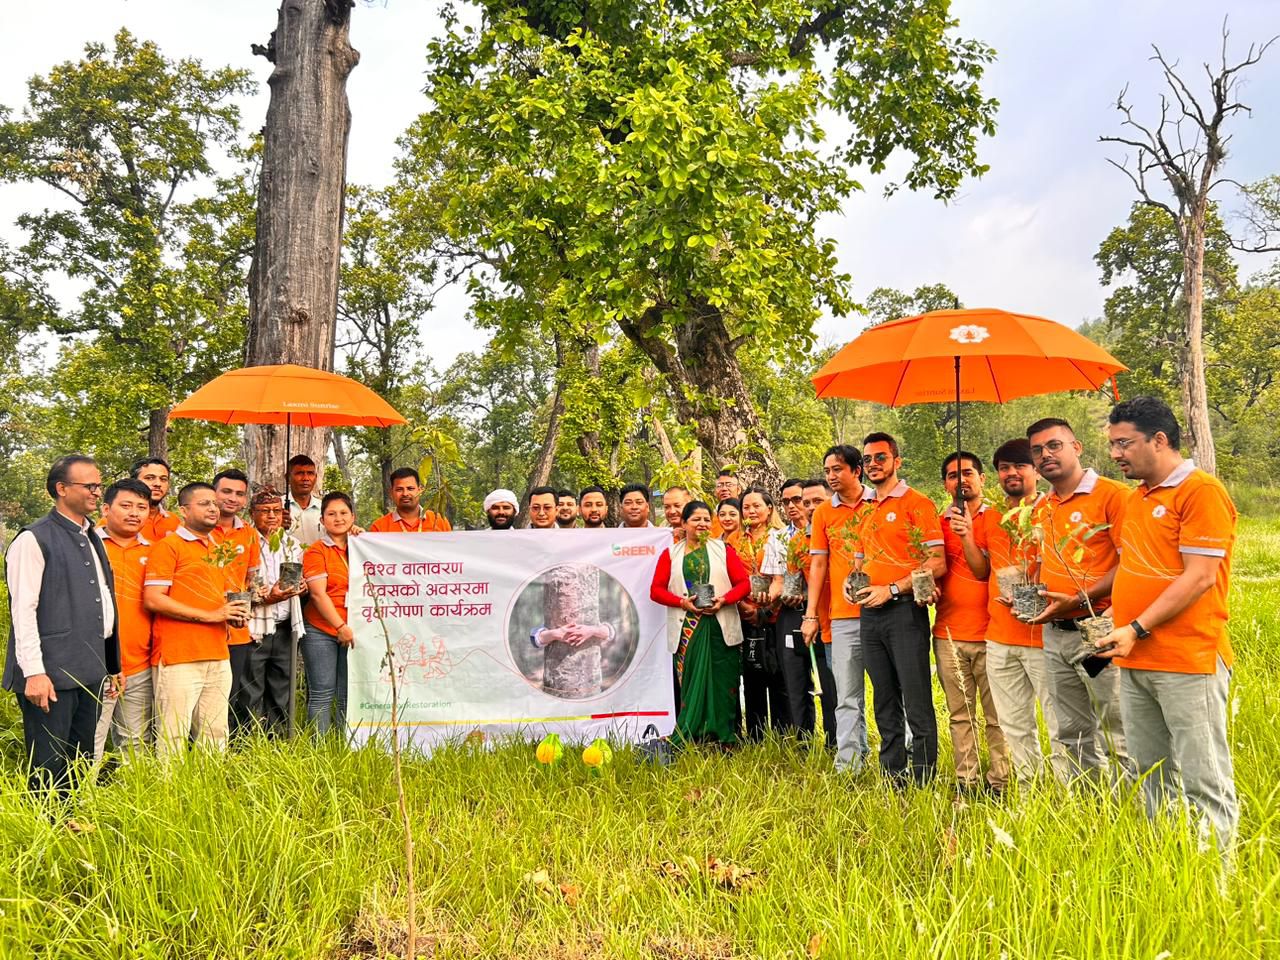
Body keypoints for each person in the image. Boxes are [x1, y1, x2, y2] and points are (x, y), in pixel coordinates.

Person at [1099, 396, 1238, 846]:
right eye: (1113, 445)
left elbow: (1199, 578)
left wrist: (1136, 626)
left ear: (1159, 440)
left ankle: (1215, 881)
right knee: (1151, 773)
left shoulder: (1200, 492)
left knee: (1204, 778)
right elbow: (1136, 568)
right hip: (1136, 659)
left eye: (1124, 443)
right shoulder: (1137, 497)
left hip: (1188, 659)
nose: (1116, 454)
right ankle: (1169, 863)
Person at [5, 454, 120, 793]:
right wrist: (35, 673)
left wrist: (112, 665)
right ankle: (44, 836)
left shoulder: (92, 536)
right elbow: (23, 611)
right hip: (51, 674)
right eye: (89, 486)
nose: (97, 492)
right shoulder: (33, 539)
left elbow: (104, 604)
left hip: (90, 671)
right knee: (48, 764)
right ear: (61, 488)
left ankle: (71, 825)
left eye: (98, 486)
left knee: (80, 758)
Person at [1026, 417, 1131, 781]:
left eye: (1054, 445)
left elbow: (1130, 565)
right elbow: (1046, 562)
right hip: (1056, 634)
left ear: (1077, 447)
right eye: (1037, 450)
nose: (1046, 455)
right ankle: (1091, 810)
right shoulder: (1043, 506)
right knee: (1071, 729)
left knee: (1116, 725)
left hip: (1098, 629)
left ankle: (1130, 813)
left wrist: (1078, 599)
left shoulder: (1113, 496)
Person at [957, 439, 1058, 781]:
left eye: (1019, 466)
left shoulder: (1050, 511)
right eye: (1004, 468)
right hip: (999, 637)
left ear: (1036, 472)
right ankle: (1030, 792)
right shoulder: (993, 517)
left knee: (1059, 723)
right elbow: (981, 571)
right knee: (1014, 724)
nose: (1011, 473)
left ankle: (1067, 795)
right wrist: (968, 536)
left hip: (1044, 637)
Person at [855, 432, 945, 786]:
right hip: (869, 614)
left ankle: (923, 775)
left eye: (880, 457)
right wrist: (857, 585)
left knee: (916, 695)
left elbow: (936, 561)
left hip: (904, 611)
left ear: (896, 461)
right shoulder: (867, 510)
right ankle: (892, 772)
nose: (873, 465)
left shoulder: (917, 503)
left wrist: (891, 589)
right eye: (867, 460)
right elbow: (862, 563)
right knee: (884, 697)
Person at [144, 482, 249, 759]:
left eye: (214, 503)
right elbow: (154, 599)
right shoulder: (168, 547)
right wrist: (212, 616)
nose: (213, 508)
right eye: (204, 503)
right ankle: (170, 797)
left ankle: (209, 794)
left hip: (217, 652)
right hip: (179, 656)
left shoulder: (217, 549)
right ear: (183, 511)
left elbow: (216, 597)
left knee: (215, 732)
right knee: (173, 734)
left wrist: (233, 613)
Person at [935, 452, 1008, 793]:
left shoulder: (997, 519)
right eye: (952, 475)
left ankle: (1001, 779)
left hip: (989, 633)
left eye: (967, 473)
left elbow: (983, 572)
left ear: (982, 479)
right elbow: (933, 570)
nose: (960, 480)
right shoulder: (937, 523)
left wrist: (965, 534)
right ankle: (966, 779)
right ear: (945, 484)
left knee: (996, 716)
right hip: (948, 633)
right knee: (960, 714)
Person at [650, 500, 751, 746]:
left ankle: (725, 736)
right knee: (693, 681)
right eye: (696, 519)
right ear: (684, 524)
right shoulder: (671, 554)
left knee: (722, 681)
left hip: (719, 625)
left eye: (707, 519)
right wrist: (683, 603)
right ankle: (692, 733)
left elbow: (744, 584)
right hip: (688, 627)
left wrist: (723, 600)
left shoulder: (723, 550)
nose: (702, 524)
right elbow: (656, 590)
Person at [802, 445, 872, 773]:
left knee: (891, 692)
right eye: (827, 470)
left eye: (837, 469)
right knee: (846, 694)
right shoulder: (823, 513)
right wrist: (811, 614)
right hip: (843, 615)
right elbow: (818, 564)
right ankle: (850, 764)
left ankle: (898, 758)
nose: (831, 476)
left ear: (857, 470)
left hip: (883, 610)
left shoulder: (879, 503)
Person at [92, 479, 155, 762]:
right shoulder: (88, 546)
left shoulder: (155, 551)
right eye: (126, 505)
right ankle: (83, 801)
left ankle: (133, 799)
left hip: (140, 663)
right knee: (89, 742)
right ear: (106, 508)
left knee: (136, 744)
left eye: (142, 507)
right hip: (95, 664)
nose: (134, 513)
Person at [245, 488, 307, 736]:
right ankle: (246, 743)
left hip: (284, 625)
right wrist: (266, 596)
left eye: (276, 511)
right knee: (250, 690)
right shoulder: (245, 541)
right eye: (264, 511)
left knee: (282, 688)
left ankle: (278, 741)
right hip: (255, 628)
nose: (271, 516)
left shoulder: (291, 544)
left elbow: (298, 582)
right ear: (252, 514)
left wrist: (302, 588)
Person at [772, 478, 829, 743]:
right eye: (801, 502)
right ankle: (803, 739)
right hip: (801, 616)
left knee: (832, 686)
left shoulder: (842, 530)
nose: (804, 507)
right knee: (798, 681)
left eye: (813, 501)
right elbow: (789, 581)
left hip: (836, 618)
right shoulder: (793, 541)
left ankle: (837, 741)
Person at [209, 469, 263, 735]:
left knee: (231, 696)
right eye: (226, 491)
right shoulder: (198, 529)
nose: (232, 498)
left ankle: (227, 753)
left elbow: (251, 580)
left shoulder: (249, 534)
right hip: (203, 624)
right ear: (213, 493)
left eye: (239, 494)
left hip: (237, 630)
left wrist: (263, 592)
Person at [736, 486, 789, 739]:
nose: (751, 511)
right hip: (745, 614)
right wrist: (743, 606)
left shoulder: (780, 537)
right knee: (752, 674)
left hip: (777, 614)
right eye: (746, 507)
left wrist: (769, 606)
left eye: (757, 505)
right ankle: (756, 734)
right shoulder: (734, 539)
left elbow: (786, 577)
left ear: (769, 509)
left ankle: (783, 732)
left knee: (778, 674)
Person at [301, 492, 356, 736]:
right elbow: (317, 595)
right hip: (322, 630)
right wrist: (339, 627)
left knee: (348, 692)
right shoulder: (316, 551)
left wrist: (347, 628)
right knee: (323, 692)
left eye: (344, 513)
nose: (338, 518)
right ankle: (319, 751)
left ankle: (346, 744)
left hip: (354, 629)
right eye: (331, 514)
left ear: (353, 516)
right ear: (322, 520)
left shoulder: (362, 547)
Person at [369, 467, 451, 532]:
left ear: (420, 490)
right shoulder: (379, 528)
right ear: (391, 493)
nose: (405, 493)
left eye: (410, 488)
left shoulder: (439, 521)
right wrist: (358, 537)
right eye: (399, 489)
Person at [129, 457, 181, 543]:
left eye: (163, 479)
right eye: (149, 478)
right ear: (133, 482)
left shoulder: (174, 521)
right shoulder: (116, 520)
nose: (158, 484)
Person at [285, 454, 323, 546]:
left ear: (316, 477)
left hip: (319, 560)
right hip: (287, 560)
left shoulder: (326, 509)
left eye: (310, 473)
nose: (305, 478)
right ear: (287, 478)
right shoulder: (276, 508)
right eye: (299, 473)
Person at [710, 468, 742, 538]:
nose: (724, 489)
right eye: (720, 485)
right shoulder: (710, 518)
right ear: (715, 491)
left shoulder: (747, 513)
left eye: (729, 485)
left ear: (738, 490)